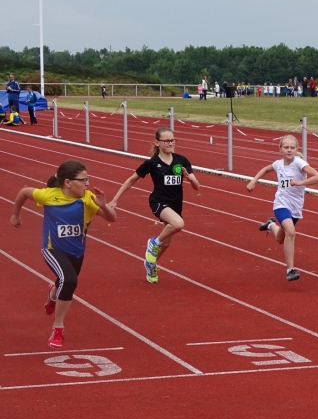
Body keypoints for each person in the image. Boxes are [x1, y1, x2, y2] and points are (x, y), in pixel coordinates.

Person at [10, 160, 117, 348]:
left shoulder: (88, 198)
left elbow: (112, 218)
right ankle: (58, 329)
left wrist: (104, 205)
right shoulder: (48, 195)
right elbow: (24, 192)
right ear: (68, 182)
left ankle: (53, 293)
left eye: (88, 179)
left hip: (76, 252)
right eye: (83, 180)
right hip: (52, 249)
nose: (87, 184)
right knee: (69, 280)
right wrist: (15, 214)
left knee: (64, 282)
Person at [110, 127, 200, 283]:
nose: (170, 143)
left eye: (173, 140)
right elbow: (131, 180)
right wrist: (115, 199)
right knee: (178, 224)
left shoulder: (181, 160)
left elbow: (197, 186)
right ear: (157, 143)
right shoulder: (152, 163)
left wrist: (190, 179)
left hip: (175, 204)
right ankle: (153, 242)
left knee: (167, 242)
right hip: (159, 201)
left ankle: (151, 264)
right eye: (166, 141)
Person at [246, 135, 318, 282]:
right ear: (280, 149)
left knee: (280, 238)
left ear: (297, 149)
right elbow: (265, 169)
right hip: (281, 204)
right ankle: (290, 270)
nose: (289, 150)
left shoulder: (299, 163)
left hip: (295, 207)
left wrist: (299, 182)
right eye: (286, 147)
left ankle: (270, 225)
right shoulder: (278, 164)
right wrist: (253, 181)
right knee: (291, 232)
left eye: (292, 148)